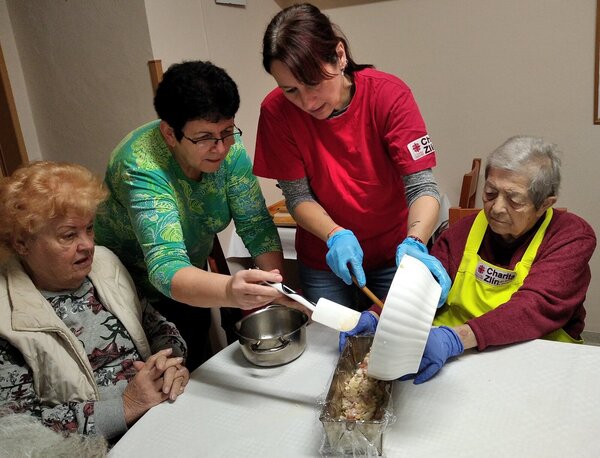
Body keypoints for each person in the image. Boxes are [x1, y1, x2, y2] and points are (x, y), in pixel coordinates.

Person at [342, 136, 597, 383]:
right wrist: (377, 316)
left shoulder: (571, 237)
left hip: (533, 363)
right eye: (490, 193)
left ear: (544, 204)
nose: (496, 208)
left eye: (514, 199)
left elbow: (533, 307)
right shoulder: (462, 232)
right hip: (461, 360)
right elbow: (423, 285)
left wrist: (454, 339)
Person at [253, 3, 450, 314]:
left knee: (394, 342)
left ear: (340, 55)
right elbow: (297, 196)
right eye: (291, 90)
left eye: (314, 83)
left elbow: (422, 187)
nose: (306, 102)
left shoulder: (388, 96)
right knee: (331, 348)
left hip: (393, 253)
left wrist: (415, 242)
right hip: (325, 259)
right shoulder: (277, 112)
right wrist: (335, 234)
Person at [94, 61, 287, 371]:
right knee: (162, 380)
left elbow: (255, 224)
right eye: (204, 138)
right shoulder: (141, 164)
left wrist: (278, 289)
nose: (221, 148)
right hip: (131, 294)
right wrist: (227, 290)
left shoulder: (228, 149)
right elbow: (166, 266)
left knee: (198, 359)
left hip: (190, 275)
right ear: (170, 133)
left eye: (227, 132)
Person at [0, 161, 190, 440]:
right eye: (69, 235)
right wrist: (126, 405)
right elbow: (17, 430)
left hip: (162, 412)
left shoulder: (105, 263)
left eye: (89, 229)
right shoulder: (6, 317)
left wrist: (169, 365)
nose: (87, 245)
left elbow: (159, 328)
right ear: (22, 243)